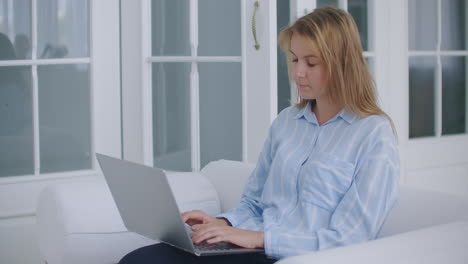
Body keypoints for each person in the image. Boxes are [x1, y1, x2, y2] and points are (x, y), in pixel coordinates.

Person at [119, 6, 399, 264]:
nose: (298, 73)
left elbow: (352, 237)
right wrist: (224, 224)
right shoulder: (287, 123)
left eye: (311, 63)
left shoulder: (373, 134)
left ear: (343, 64)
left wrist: (262, 239)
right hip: (250, 245)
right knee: (139, 259)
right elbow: (253, 202)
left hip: (290, 255)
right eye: (294, 59)